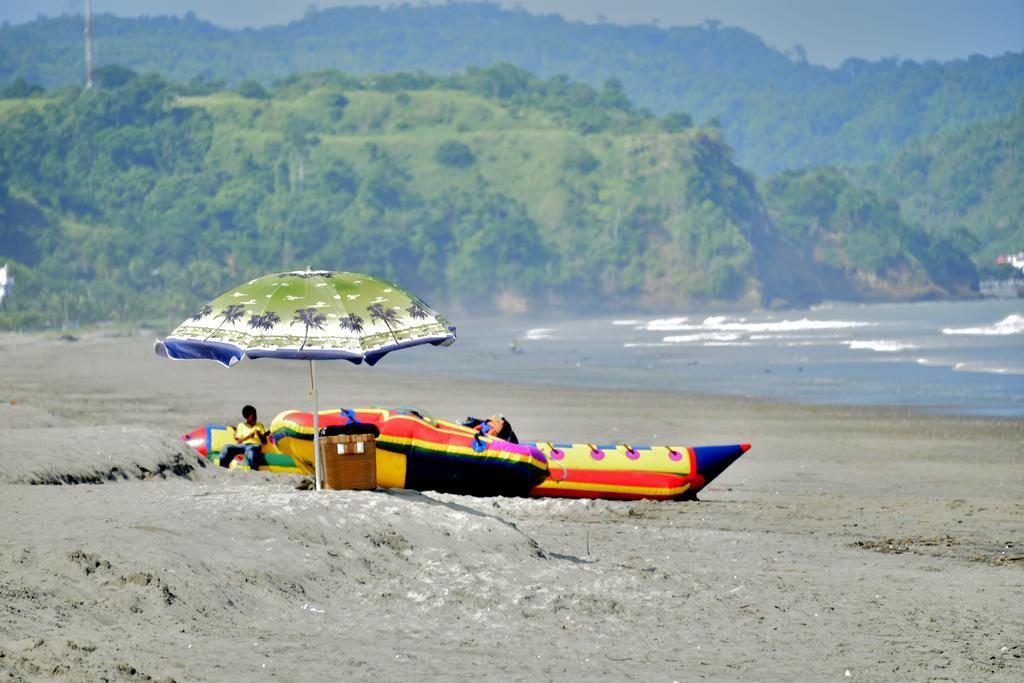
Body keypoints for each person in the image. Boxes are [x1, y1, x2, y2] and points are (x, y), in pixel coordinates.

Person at [220, 405, 269, 470]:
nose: (255, 418)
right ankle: (222, 469)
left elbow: (264, 442)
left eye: (255, 416)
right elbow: (239, 441)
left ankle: (254, 471)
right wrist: (249, 436)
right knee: (226, 447)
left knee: (251, 453)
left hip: (254, 446)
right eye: (253, 417)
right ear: (247, 417)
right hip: (242, 446)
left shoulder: (259, 425)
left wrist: (259, 435)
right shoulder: (241, 426)